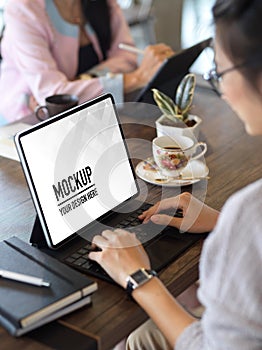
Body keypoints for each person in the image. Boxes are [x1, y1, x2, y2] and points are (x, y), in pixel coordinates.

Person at [88, 0, 262, 349]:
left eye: (220, 73)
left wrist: (138, 277)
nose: (223, 90)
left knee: (134, 340)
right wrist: (222, 220)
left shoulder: (251, 212)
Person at [0, 0, 174, 123]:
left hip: (92, 112)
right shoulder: (23, 9)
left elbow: (126, 58)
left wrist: (83, 80)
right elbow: (54, 97)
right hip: (29, 121)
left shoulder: (103, 3)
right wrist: (137, 78)